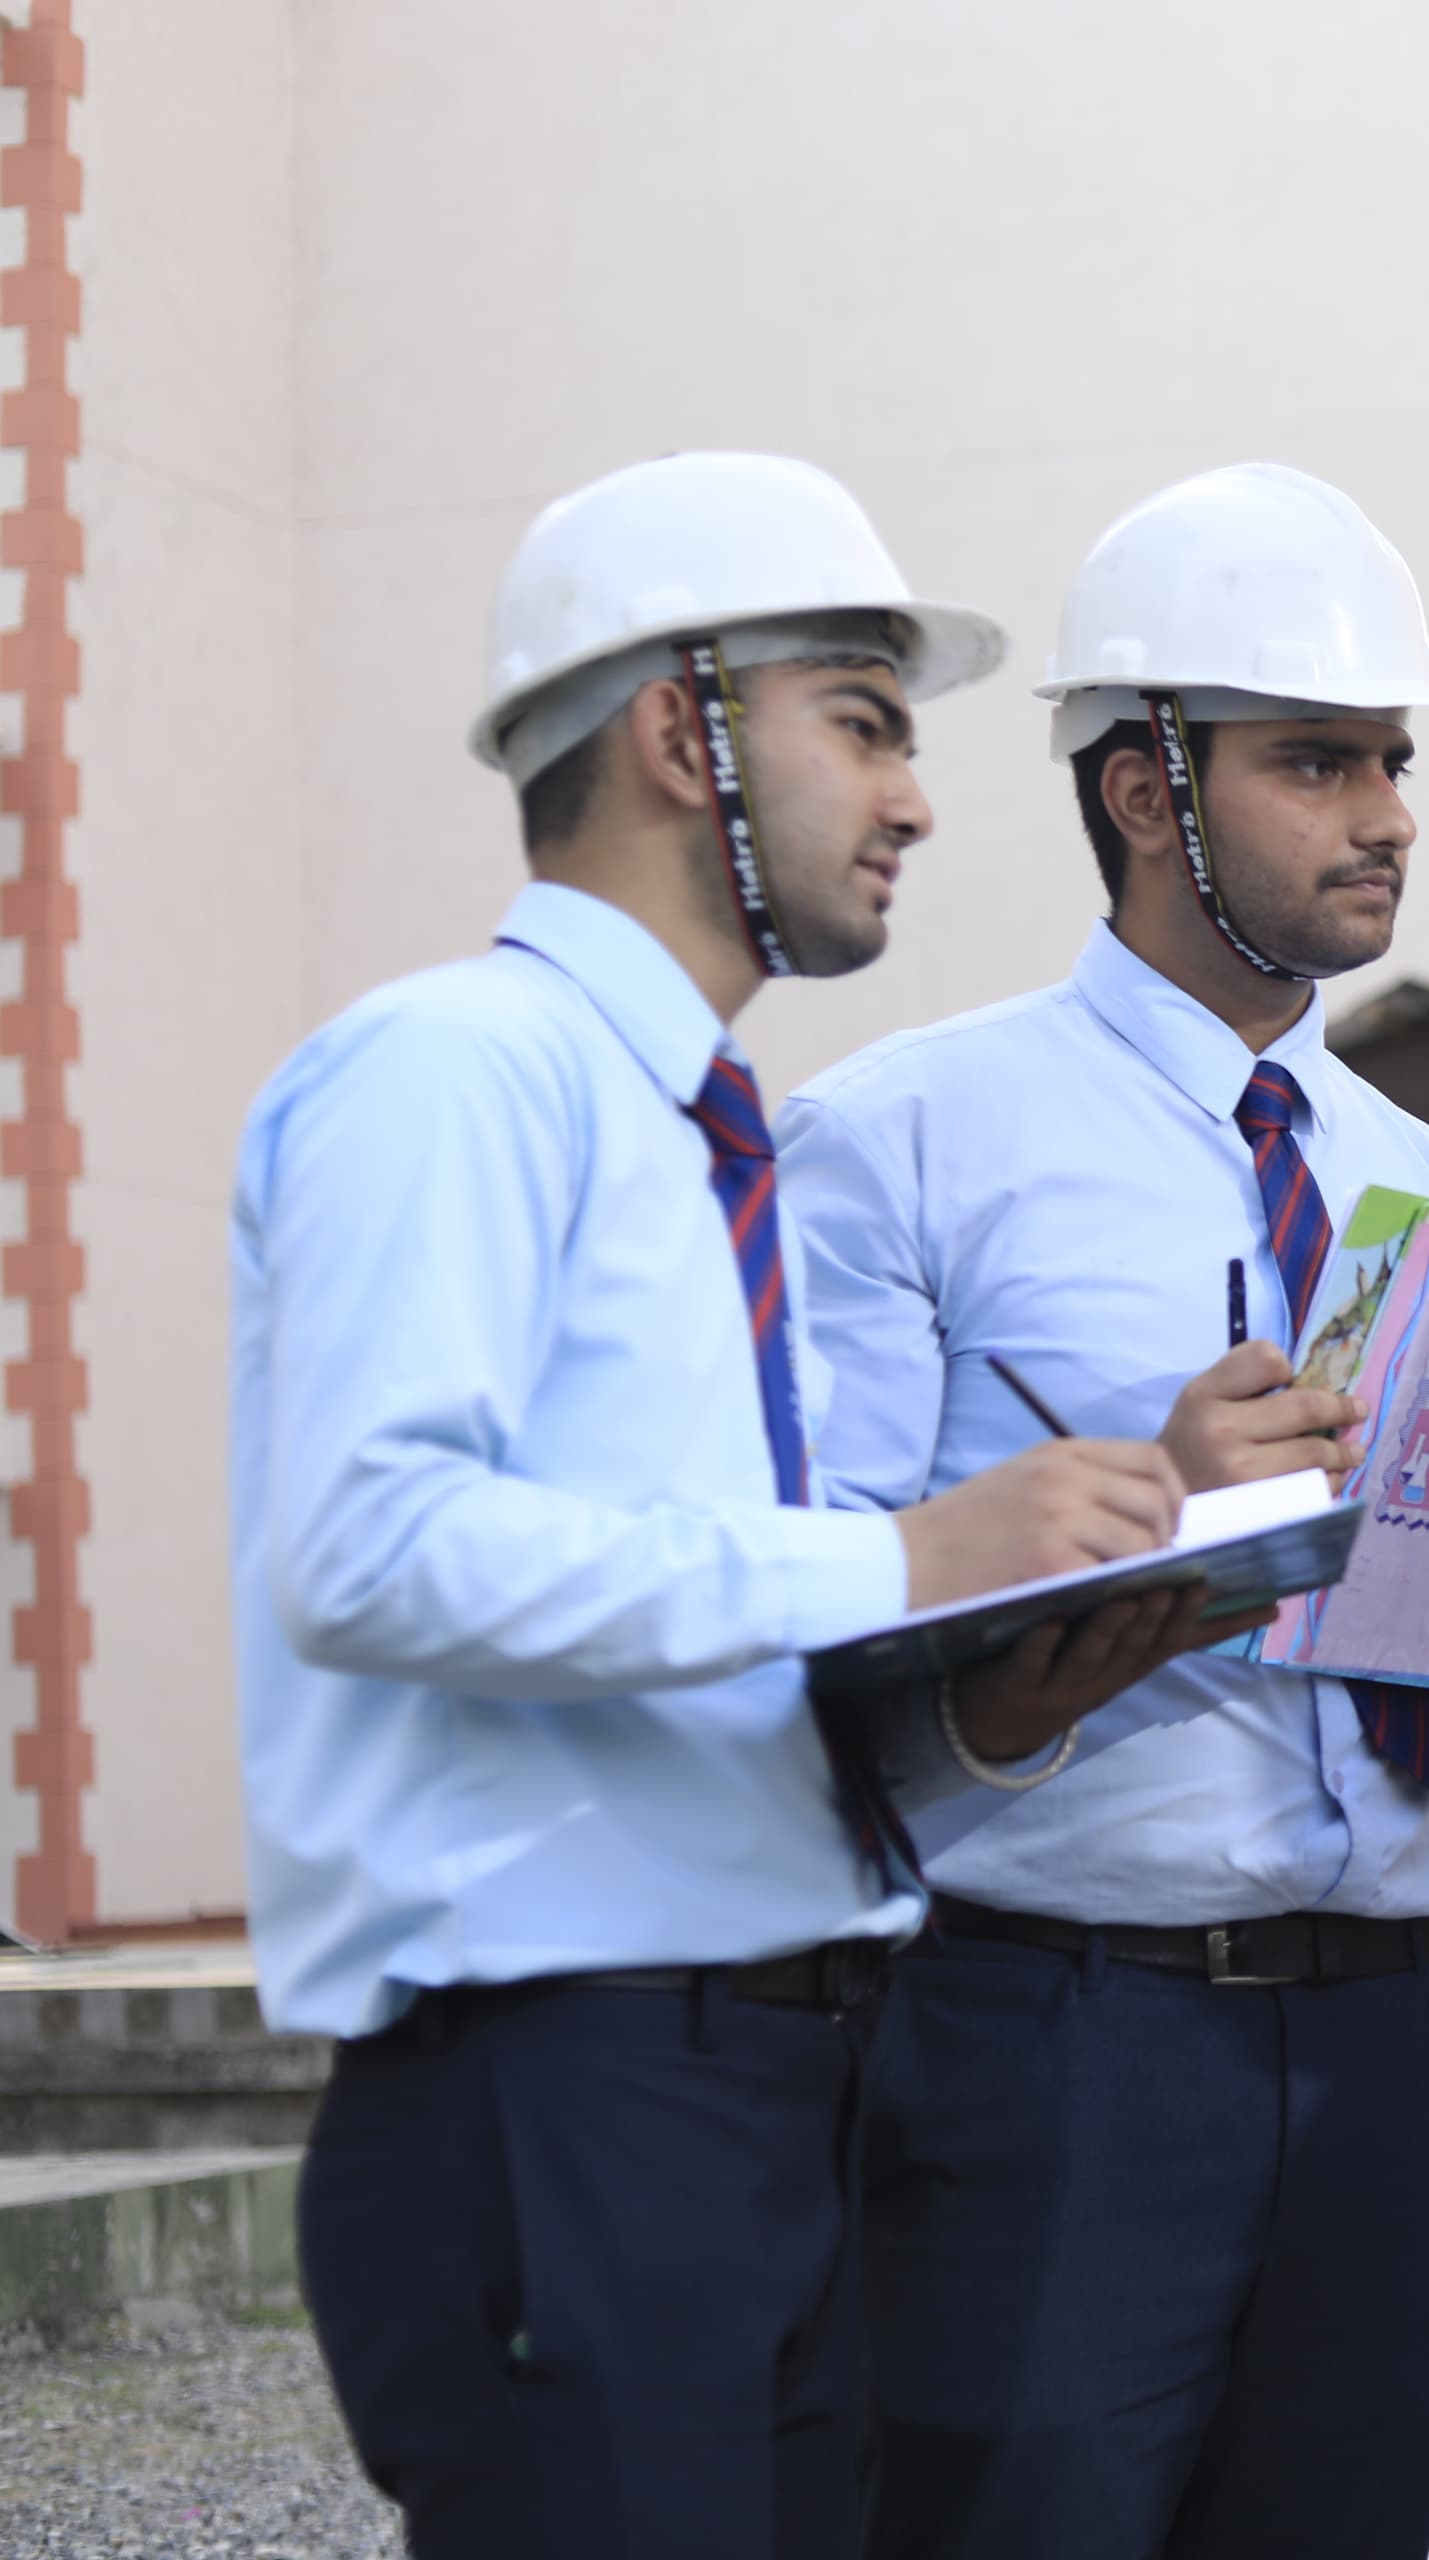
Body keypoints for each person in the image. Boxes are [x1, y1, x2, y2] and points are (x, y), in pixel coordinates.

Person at [233, 452, 1219, 2558]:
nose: (920, 796)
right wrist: (906, 1552)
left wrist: (1012, 1663)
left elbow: (677, 1642)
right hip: (563, 2087)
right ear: (689, 732)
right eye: (861, 720)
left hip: (761, 2080)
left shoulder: (695, 1133)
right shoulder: (452, 1072)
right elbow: (367, 1545)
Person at [777, 462, 1429, 2560]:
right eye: (1316, 759)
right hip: (1052, 2033)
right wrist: (1153, 1515)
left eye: (1393, 760)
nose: (1389, 811)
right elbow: (810, 1642)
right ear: (1146, 786)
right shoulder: (898, 1145)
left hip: (1402, 2030)